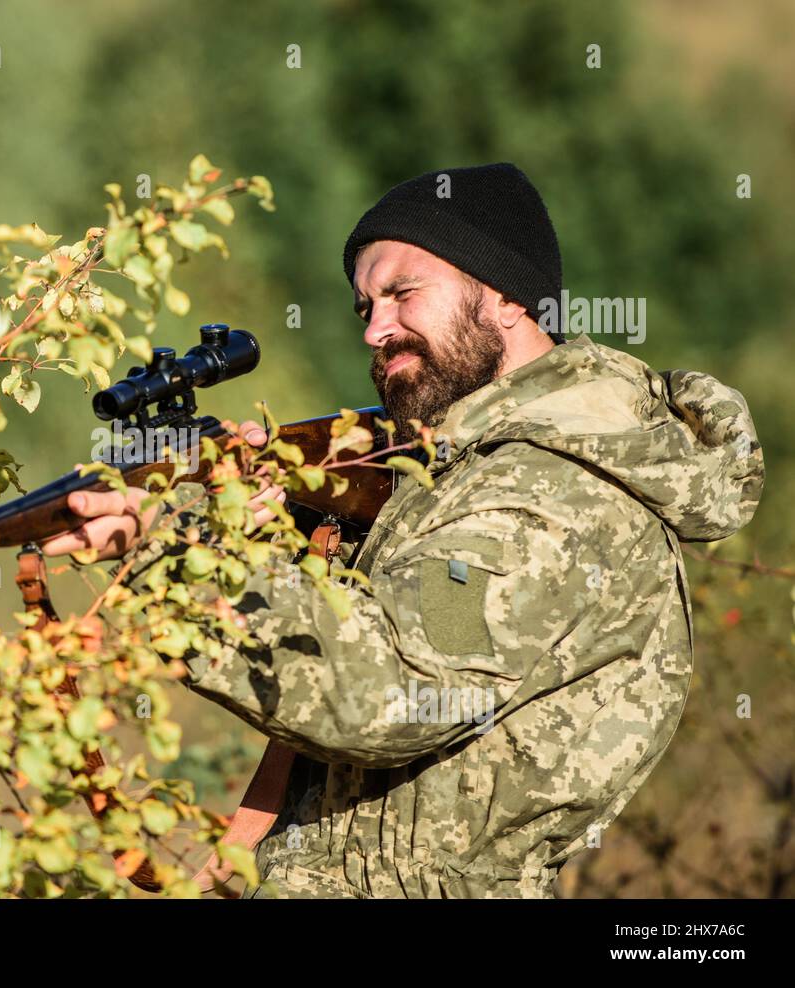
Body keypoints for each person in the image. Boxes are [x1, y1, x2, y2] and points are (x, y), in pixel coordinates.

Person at [41, 163, 765, 898]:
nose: (375, 330)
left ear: (507, 295)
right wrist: (255, 540)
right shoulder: (454, 472)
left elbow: (394, 694)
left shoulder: (549, 489)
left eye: (402, 293)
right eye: (365, 307)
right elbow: (381, 634)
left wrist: (173, 556)